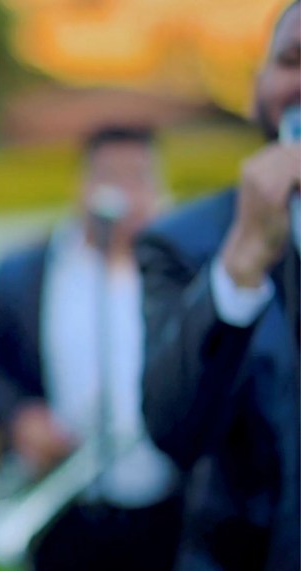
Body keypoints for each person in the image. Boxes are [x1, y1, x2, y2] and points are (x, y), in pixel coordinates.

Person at [0, 126, 182, 570]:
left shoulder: (181, 271)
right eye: (110, 176)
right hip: (63, 502)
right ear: (82, 184)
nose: (124, 193)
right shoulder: (25, 271)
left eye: (139, 178)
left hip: (166, 503)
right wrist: (18, 416)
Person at [135, 2, 300, 569]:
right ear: (258, 88)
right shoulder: (183, 241)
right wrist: (242, 261)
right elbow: (173, 430)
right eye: (292, 60)